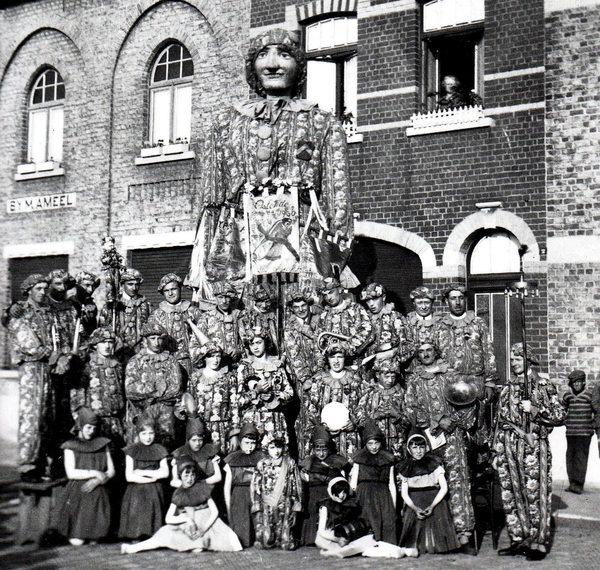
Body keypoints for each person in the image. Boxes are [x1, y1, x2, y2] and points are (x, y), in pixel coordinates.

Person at [187, 28, 353, 295]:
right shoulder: (225, 124)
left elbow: (337, 199)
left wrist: (333, 261)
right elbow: (212, 200)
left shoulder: (323, 123)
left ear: (298, 65)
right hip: (239, 248)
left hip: (304, 246)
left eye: (284, 55)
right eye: (263, 55)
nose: (273, 64)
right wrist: (207, 259)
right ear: (253, 66)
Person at [493, 343, 566, 561]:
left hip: (533, 446)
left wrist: (534, 409)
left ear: (528, 360)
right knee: (511, 495)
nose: (513, 362)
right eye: (512, 359)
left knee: (535, 495)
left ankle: (538, 542)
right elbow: (499, 420)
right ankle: (519, 538)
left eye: (517, 358)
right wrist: (496, 451)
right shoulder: (507, 387)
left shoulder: (542, 385)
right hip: (507, 447)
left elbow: (560, 415)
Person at [403, 342, 477, 552]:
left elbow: (469, 401)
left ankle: (464, 535)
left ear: (436, 351)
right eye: (421, 351)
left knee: (457, 482)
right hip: (428, 440)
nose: (426, 354)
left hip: (452, 438)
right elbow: (409, 411)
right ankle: (437, 535)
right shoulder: (415, 381)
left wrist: (452, 420)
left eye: (429, 350)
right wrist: (436, 419)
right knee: (431, 482)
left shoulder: (451, 374)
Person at [121, 456, 242, 554]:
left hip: (207, 522)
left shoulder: (202, 488)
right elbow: (168, 518)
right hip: (187, 523)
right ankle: (133, 548)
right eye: (186, 475)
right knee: (164, 533)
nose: (190, 478)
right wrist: (185, 519)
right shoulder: (179, 493)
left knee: (226, 542)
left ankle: (199, 542)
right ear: (180, 476)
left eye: (193, 474)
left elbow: (215, 512)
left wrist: (204, 529)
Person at [9, 274, 64, 479]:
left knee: (47, 415)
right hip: (32, 369)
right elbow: (27, 342)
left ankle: (44, 462)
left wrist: (60, 356)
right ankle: (28, 464)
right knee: (32, 415)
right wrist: (52, 354)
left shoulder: (49, 313)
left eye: (44, 288)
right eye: (38, 288)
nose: (42, 292)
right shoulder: (20, 312)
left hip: (49, 370)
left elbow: (58, 337)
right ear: (29, 290)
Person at [55, 407, 115, 546]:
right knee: (77, 541)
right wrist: (94, 473)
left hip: (98, 492)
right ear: (80, 426)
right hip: (79, 491)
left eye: (94, 428)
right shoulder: (71, 446)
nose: (91, 431)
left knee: (95, 540)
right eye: (88, 427)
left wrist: (97, 481)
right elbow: (71, 473)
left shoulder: (102, 444)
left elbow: (111, 471)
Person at [398, 430, 459, 555]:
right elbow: (404, 494)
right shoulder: (405, 467)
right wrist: (415, 508)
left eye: (421, 447)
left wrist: (432, 506)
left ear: (426, 448)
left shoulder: (434, 464)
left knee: (437, 518)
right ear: (409, 449)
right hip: (415, 501)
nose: (418, 451)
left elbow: (444, 488)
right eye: (414, 447)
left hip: (434, 500)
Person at [434, 283, 498, 403]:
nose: (457, 302)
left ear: (465, 300)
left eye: (461, 298)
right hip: (449, 382)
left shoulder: (478, 323)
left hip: (475, 381)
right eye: (453, 298)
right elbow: (434, 355)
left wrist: (490, 382)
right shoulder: (439, 326)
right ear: (447, 301)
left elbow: (488, 352)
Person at [301, 336, 363, 459]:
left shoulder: (355, 381)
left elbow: (362, 405)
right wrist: (320, 424)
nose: (336, 361)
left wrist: (354, 422)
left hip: (348, 436)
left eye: (339, 357)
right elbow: (311, 406)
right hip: (324, 435)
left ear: (345, 358)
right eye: (332, 357)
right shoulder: (319, 380)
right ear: (327, 359)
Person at [124, 322, 183, 448]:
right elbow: (130, 389)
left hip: (165, 413)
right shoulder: (135, 361)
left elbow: (176, 389)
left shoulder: (171, 361)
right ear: (145, 340)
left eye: (159, 338)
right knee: (141, 448)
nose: (156, 342)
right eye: (152, 338)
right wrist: (155, 387)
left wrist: (148, 394)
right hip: (142, 412)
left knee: (165, 447)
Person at [237, 324, 293, 442]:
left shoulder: (276, 365)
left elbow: (290, 393)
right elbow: (238, 400)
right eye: (252, 344)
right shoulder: (245, 367)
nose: (255, 347)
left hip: (275, 419)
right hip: (253, 420)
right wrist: (256, 391)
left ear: (266, 342)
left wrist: (275, 396)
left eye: (258, 342)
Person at [70, 327, 125, 447]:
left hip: (114, 419)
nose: (107, 346)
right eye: (103, 342)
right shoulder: (87, 366)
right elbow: (78, 392)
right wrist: (80, 416)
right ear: (95, 345)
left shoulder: (117, 366)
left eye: (110, 342)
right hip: (95, 421)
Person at [119, 416, 170, 540]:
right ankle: (137, 534)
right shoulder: (131, 451)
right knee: (138, 502)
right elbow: (129, 476)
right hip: (137, 487)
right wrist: (152, 475)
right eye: (144, 433)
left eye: (151, 433)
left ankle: (153, 534)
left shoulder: (159, 450)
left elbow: (165, 473)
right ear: (138, 434)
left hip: (154, 487)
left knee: (153, 497)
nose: (148, 437)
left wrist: (141, 472)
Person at [251, 432, 302, 550]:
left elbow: (296, 483)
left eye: (279, 447)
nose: (276, 451)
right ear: (266, 448)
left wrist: (296, 502)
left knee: (285, 532)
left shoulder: (289, 463)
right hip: (267, 502)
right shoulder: (261, 464)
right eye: (272, 447)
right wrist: (257, 502)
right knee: (266, 537)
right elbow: (256, 485)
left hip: (285, 501)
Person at [299, 426, 348, 546]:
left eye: (324, 450)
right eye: (318, 450)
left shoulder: (337, 462)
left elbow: (341, 479)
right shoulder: (308, 462)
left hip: (328, 495)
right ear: (313, 449)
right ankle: (310, 538)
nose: (321, 453)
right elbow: (304, 479)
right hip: (314, 494)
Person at [349, 421, 397, 545]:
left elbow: (391, 483)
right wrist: (350, 501)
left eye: (376, 443)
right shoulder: (359, 458)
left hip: (382, 495)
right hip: (363, 494)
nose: (374, 447)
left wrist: (394, 505)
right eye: (370, 444)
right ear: (365, 444)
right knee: (365, 520)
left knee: (385, 522)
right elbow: (353, 482)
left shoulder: (388, 459)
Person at [147, 273, 203, 376]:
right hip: (166, 363)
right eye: (166, 291)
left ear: (180, 289)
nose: (170, 293)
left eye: (173, 289)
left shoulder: (194, 312)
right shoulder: (156, 315)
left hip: (192, 363)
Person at [188, 341, 239, 450]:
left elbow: (235, 406)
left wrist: (234, 434)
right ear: (204, 358)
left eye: (218, 356)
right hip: (200, 429)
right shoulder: (195, 378)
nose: (215, 360)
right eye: (211, 356)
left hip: (223, 428)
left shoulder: (229, 377)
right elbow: (189, 404)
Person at [223, 423, 266, 548]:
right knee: (241, 538)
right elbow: (227, 488)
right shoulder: (231, 460)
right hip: (239, 497)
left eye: (252, 443)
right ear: (240, 441)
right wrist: (229, 509)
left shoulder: (261, 458)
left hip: (256, 495)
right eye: (246, 443)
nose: (250, 447)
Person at [315, 277, 373, 367]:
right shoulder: (324, 315)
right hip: (333, 367)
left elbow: (367, 331)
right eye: (325, 295)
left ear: (340, 289)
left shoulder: (356, 309)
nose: (328, 298)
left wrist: (346, 346)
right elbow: (318, 340)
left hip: (354, 365)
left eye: (331, 292)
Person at [357, 355, 405, 458]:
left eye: (393, 376)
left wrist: (397, 414)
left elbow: (410, 419)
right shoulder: (369, 393)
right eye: (386, 376)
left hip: (397, 443)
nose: (390, 380)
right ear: (378, 375)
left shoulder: (401, 393)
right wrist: (374, 416)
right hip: (374, 444)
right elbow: (359, 417)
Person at [316, 476, 376, 558]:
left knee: (369, 542)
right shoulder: (325, 507)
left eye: (344, 492)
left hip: (346, 535)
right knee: (344, 550)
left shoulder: (350, 504)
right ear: (331, 492)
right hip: (330, 537)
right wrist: (338, 539)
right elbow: (321, 531)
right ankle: (334, 551)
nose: (341, 496)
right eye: (338, 492)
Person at [99, 268, 151, 361]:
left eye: (137, 284)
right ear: (122, 284)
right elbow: (102, 328)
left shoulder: (146, 305)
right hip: (117, 352)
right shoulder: (112, 305)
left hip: (141, 353)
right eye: (130, 284)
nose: (134, 288)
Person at [360, 283, 414, 366]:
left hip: (391, 369)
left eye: (374, 299)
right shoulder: (364, 319)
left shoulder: (396, 317)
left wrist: (391, 355)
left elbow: (409, 346)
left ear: (384, 297)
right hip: (368, 370)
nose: (371, 304)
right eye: (367, 300)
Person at [562, 369, 598, 494]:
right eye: (574, 382)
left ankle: (578, 484)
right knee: (570, 457)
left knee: (581, 458)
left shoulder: (589, 396)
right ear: (571, 384)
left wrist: (592, 425)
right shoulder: (567, 396)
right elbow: (562, 411)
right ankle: (572, 483)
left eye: (579, 382)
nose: (577, 385)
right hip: (571, 432)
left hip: (584, 433)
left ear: (584, 383)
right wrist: (564, 421)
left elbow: (596, 411)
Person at [193, 281, 243, 366]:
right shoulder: (206, 317)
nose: (224, 301)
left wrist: (239, 349)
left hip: (237, 364)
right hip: (215, 366)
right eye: (220, 297)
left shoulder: (239, 315)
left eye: (227, 297)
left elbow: (248, 340)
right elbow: (195, 343)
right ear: (215, 298)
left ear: (231, 298)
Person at [171, 416, 221, 488]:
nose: (197, 443)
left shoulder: (210, 452)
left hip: (206, 488)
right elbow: (174, 481)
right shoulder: (180, 454)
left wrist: (199, 484)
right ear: (188, 440)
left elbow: (218, 477)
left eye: (200, 440)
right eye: (193, 440)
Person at [238, 283, 278, 355]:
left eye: (267, 302)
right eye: (261, 302)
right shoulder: (245, 315)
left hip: (273, 355)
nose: (264, 305)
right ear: (255, 301)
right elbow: (243, 339)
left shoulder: (273, 314)